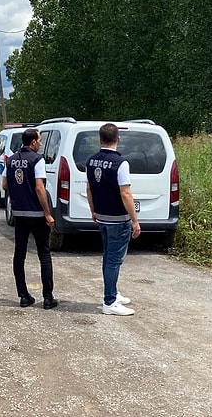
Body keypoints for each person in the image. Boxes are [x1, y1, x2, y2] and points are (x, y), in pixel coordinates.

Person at [86, 123, 141, 316]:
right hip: (118, 219)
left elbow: (89, 189)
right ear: (118, 139)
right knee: (114, 260)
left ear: (100, 139)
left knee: (108, 257)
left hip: (101, 216)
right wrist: (135, 220)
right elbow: (125, 193)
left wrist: (92, 210)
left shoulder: (91, 161)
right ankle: (109, 301)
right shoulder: (121, 163)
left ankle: (113, 293)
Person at [2, 128, 57, 309]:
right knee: (44, 254)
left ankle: (23, 295)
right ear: (33, 142)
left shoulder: (11, 160)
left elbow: (4, 184)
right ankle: (48, 298)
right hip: (36, 213)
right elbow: (40, 188)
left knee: (20, 254)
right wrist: (48, 213)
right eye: (39, 140)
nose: (40, 143)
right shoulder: (37, 160)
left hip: (19, 213)